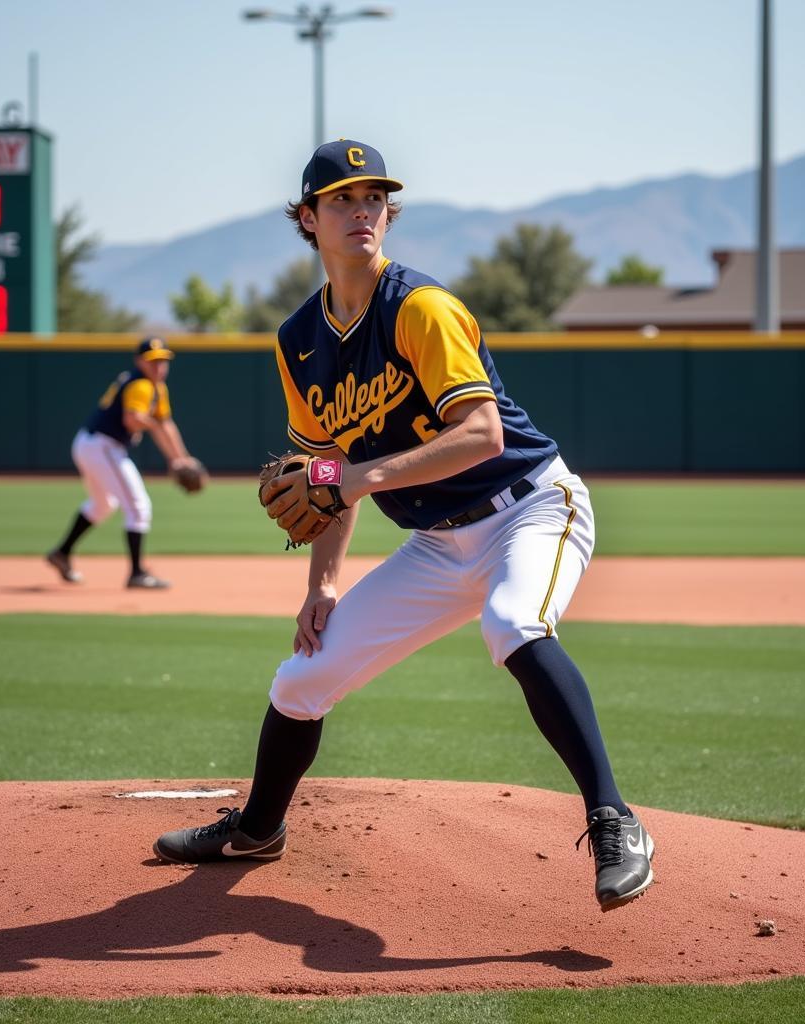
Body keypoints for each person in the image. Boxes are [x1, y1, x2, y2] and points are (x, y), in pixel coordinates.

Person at [153, 141, 656, 912]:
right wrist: (322, 583)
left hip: (529, 506)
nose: (362, 210)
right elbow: (322, 481)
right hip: (435, 544)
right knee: (302, 678)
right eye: (342, 200)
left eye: (374, 197)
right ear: (308, 220)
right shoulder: (298, 342)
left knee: (513, 621)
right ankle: (257, 828)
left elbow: (481, 434)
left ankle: (614, 818)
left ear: (388, 212)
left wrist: (353, 476)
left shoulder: (420, 306)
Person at [45, 336, 197, 590]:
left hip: (91, 444)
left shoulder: (157, 387)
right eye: (153, 361)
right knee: (138, 507)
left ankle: (61, 553)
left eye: (162, 361)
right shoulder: (140, 385)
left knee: (103, 505)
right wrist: (165, 442)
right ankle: (137, 574)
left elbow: (166, 424)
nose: (159, 366)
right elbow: (132, 419)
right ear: (140, 361)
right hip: (102, 446)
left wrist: (180, 459)